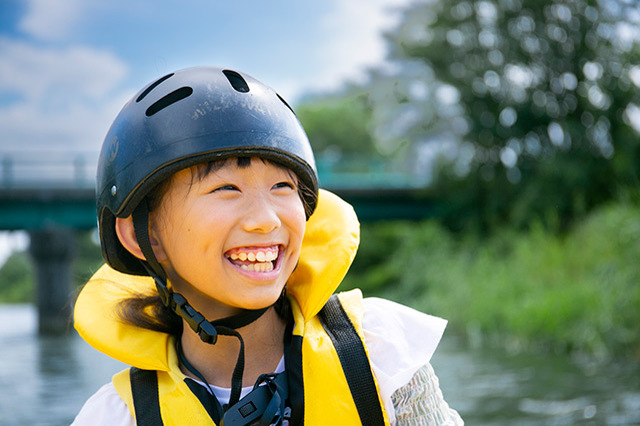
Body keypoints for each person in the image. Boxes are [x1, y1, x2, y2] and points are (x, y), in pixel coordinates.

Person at [72, 66, 463, 425]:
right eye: (227, 188)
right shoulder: (116, 417)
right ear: (144, 236)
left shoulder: (381, 357)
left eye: (283, 187)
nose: (267, 219)